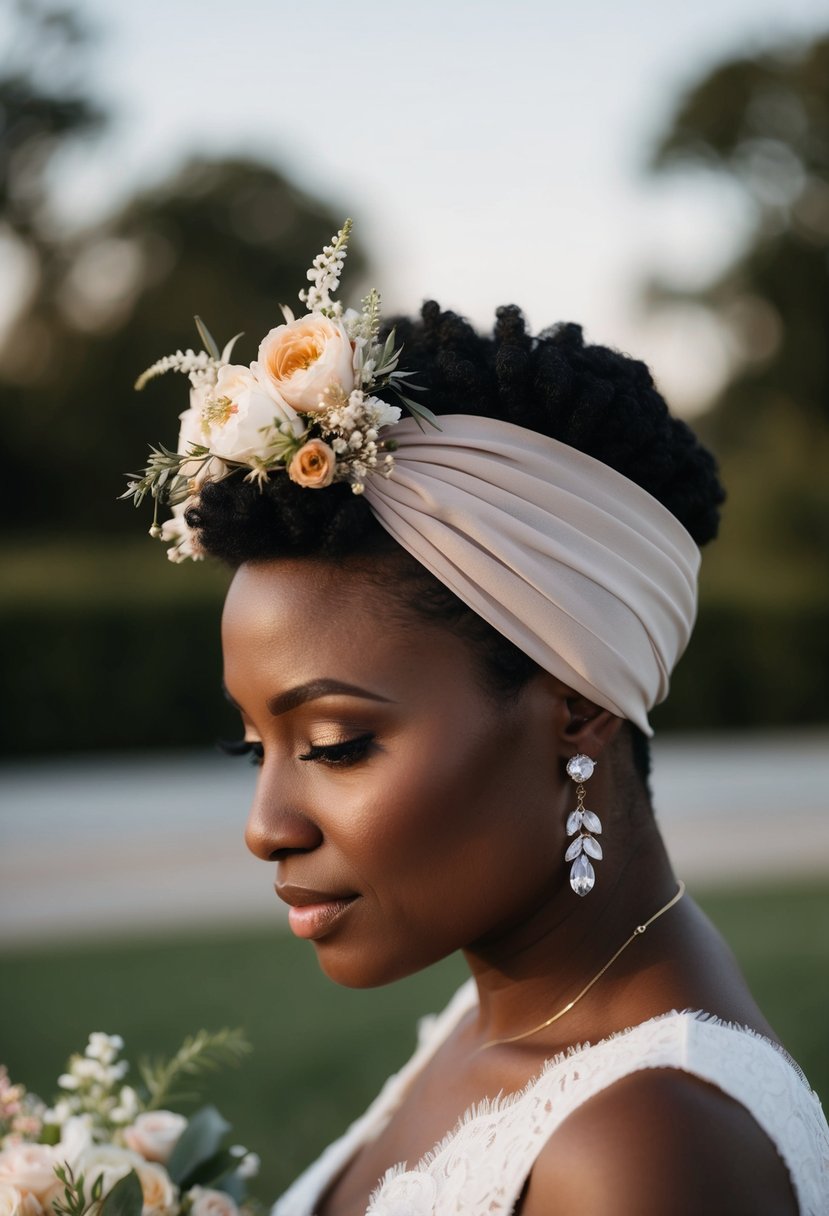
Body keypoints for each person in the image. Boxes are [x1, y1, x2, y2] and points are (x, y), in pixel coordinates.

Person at [128, 224, 829, 1214]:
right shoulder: (496, 1018)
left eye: (335, 744)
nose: (265, 824)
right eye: (255, 748)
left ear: (576, 706)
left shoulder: (644, 1152)